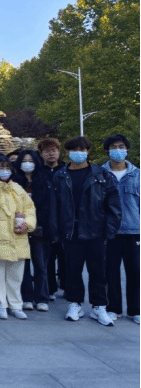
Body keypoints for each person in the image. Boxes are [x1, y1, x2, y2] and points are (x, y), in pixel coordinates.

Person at [51, 136, 121, 326]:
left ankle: (99, 306)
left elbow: (113, 204)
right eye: (74, 150)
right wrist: (56, 232)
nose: (79, 153)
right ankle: (75, 303)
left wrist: (110, 230)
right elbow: (55, 207)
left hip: (96, 230)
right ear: (68, 152)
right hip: (71, 231)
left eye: (82, 150)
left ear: (88, 151)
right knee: (72, 270)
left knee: (98, 272)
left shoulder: (101, 174)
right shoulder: (60, 176)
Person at [0, 158, 36, 320]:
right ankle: (1, 305)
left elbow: (30, 209)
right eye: (1, 168)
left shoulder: (18, 189)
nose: (4, 171)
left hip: (18, 237)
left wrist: (28, 224)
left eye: (7, 168)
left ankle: (16, 305)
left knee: (16, 276)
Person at [101, 134, 140, 324]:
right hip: (110, 231)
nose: (118, 150)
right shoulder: (100, 174)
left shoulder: (137, 174)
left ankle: (136, 309)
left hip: (134, 230)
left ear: (127, 150)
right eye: (114, 147)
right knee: (111, 272)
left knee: (136, 271)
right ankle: (113, 308)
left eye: (121, 146)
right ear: (107, 150)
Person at [14, 150, 54, 312]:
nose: (27, 164)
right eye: (24, 160)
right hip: (20, 229)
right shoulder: (15, 182)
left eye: (31, 161)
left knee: (41, 265)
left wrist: (42, 226)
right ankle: (27, 297)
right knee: (23, 266)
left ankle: (42, 298)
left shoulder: (44, 180)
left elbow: (49, 206)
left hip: (40, 230)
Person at [38, 137, 66, 300]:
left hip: (64, 219)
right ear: (41, 153)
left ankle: (67, 286)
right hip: (45, 219)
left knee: (66, 257)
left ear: (59, 152)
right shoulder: (38, 172)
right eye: (47, 151)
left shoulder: (66, 170)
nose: (51, 154)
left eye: (54, 150)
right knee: (47, 259)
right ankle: (49, 288)